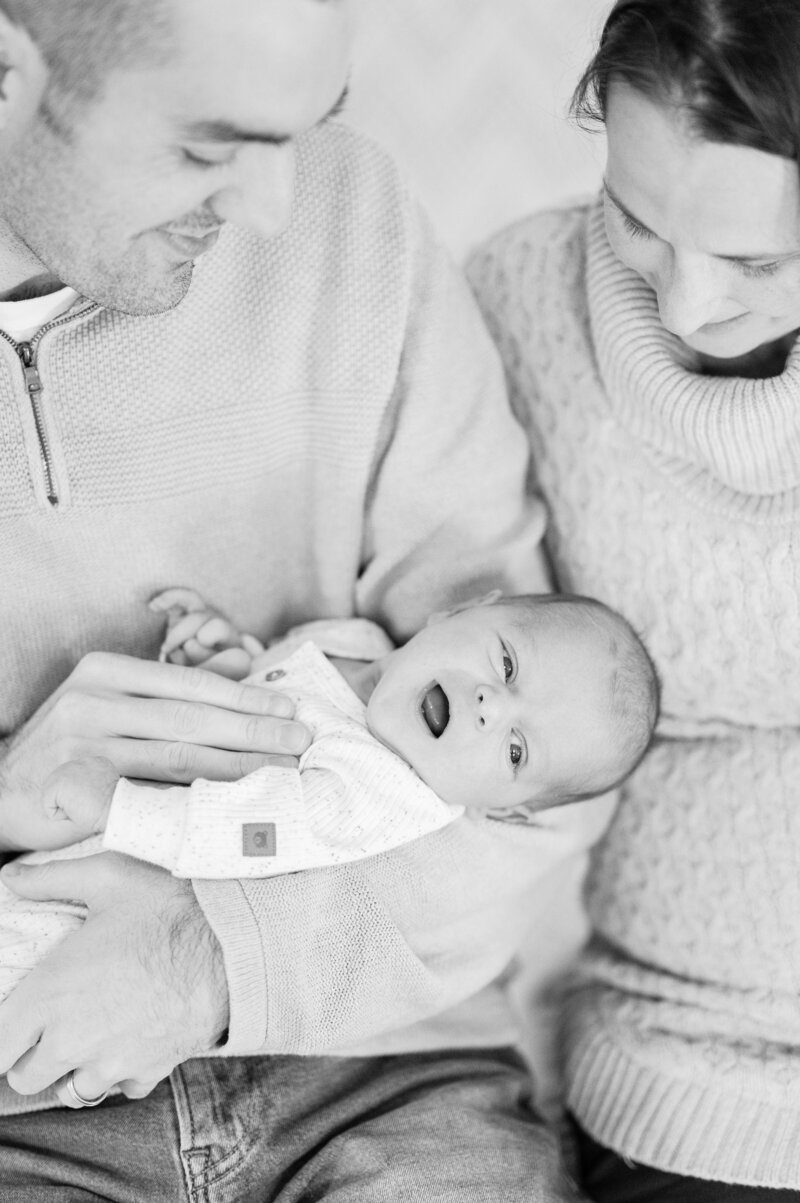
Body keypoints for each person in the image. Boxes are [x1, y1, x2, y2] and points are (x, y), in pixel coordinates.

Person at [0, 0, 597, 1199]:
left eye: (312, 124)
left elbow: (544, 773)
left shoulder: (350, 217)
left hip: (382, 1062)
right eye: (213, 148)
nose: (277, 211)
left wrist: (227, 957)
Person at [467, 0, 800, 1199]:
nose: (683, 307)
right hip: (688, 1081)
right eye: (635, 220)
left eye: (759, 262)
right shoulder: (516, 303)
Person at [0, 587, 659, 1008]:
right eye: (508, 664)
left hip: (98, 897)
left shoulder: (380, 795)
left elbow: (249, 832)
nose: (491, 705)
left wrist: (117, 809)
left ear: (499, 807)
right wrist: (232, 656)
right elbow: (277, 691)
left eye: (517, 750)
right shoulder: (358, 641)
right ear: (459, 610)